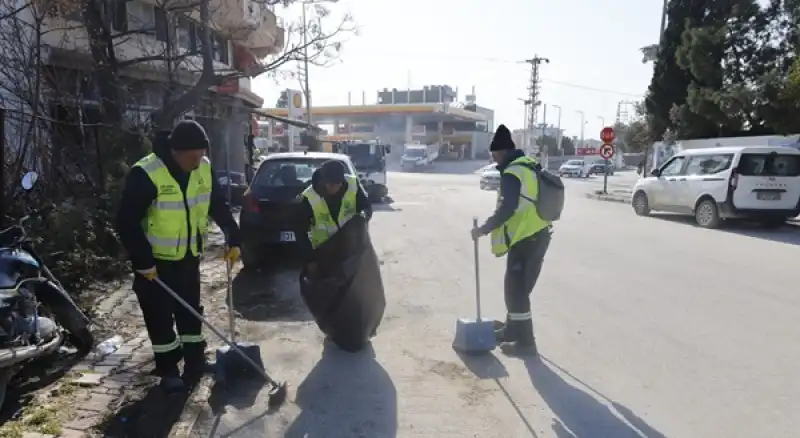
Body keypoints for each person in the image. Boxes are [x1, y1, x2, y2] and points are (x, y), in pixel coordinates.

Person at [116, 120, 242, 392]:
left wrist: (233, 235)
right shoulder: (147, 173)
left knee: (190, 311)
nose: (198, 162)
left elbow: (217, 204)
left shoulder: (203, 167)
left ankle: (195, 362)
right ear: (175, 153)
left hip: (187, 256)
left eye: (201, 155)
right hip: (156, 263)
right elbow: (126, 222)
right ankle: (169, 368)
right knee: (160, 316)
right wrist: (142, 261)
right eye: (192, 157)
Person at [470, 124, 552, 356]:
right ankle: (512, 330)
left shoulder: (512, 172)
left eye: (494, 154)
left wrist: (484, 229)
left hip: (528, 236)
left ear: (502, 152)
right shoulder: (527, 165)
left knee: (516, 291)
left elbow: (507, 208)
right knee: (517, 288)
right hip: (537, 234)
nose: (493, 159)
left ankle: (526, 343)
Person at [297, 160, 372, 275]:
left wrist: (362, 217)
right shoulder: (309, 197)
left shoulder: (352, 185)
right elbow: (300, 232)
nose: (335, 188)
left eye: (338, 184)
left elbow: (366, 207)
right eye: (331, 185)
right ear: (324, 182)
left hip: (349, 248)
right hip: (324, 251)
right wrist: (310, 259)